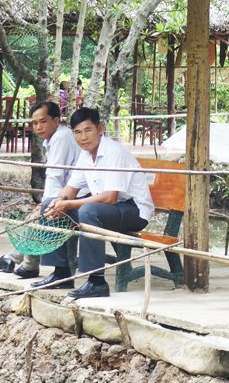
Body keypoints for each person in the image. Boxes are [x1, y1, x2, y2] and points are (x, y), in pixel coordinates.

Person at [40, 107, 155, 299]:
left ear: (99, 129)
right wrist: (59, 201)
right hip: (109, 209)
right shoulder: (85, 155)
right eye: (78, 132)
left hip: (134, 210)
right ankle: (62, 273)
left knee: (88, 211)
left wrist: (69, 205)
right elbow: (71, 189)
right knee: (49, 204)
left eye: (88, 130)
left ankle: (97, 282)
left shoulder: (113, 152)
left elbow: (110, 197)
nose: (83, 137)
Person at [0, 101, 81, 278]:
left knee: (38, 215)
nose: (38, 127)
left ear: (56, 120)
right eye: (35, 123)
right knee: (37, 214)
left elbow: (55, 176)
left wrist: (44, 205)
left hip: (77, 197)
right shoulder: (54, 138)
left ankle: (26, 264)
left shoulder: (61, 138)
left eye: (43, 121)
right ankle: (16, 260)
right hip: (66, 195)